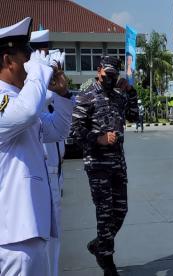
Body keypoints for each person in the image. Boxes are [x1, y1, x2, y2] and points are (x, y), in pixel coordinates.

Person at [0, 17, 74, 275]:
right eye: (26, 60)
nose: (31, 67)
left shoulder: (20, 100)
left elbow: (57, 129)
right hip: (13, 235)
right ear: (9, 61)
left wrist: (63, 96)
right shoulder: (6, 101)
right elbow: (29, 112)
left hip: (29, 228)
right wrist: (39, 72)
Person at [71, 56, 138, 275]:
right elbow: (76, 131)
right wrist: (98, 138)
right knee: (105, 212)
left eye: (114, 75)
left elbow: (133, 116)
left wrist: (131, 92)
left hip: (118, 163)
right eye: (107, 75)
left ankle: (100, 244)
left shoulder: (119, 97)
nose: (110, 79)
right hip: (98, 165)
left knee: (121, 211)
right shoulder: (86, 95)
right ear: (99, 71)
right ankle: (107, 260)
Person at [30, 28, 69, 276]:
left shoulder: (43, 86)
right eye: (40, 50)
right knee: (38, 242)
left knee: (53, 241)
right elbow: (29, 108)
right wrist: (42, 76)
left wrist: (60, 90)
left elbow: (60, 127)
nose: (46, 54)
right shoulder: (28, 87)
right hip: (39, 174)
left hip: (55, 172)